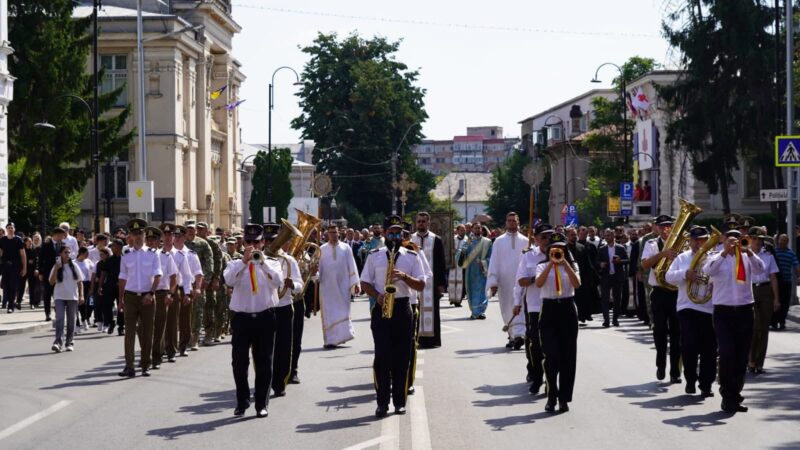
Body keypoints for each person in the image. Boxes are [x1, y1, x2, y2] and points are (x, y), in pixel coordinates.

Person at [360, 215, 426, 418]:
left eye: (398, 233)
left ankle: (399, 401)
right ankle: (381, 403)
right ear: (385, 233)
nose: (395, 236)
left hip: (403, 307)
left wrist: (404, 277)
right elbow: (364, 283)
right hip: (382, 308)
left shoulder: (412, 256)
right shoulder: (374, 255)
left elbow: (422, 285)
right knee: (382, 357)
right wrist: (377, 296)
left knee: (402, 357)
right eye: (391, 232)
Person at [223, 224, 284, 418]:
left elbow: (278, 282)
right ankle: (242, 402)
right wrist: (243, 262)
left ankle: (261, 404)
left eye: (255, 242)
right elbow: (229, 281)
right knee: (239, 363)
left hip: (265, 317)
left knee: (264, 362)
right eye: (248, 242)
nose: (252, 245)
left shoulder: (273, 263)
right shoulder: (234, 264)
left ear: (263, 242)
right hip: (242, 318)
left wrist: (263, 263)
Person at [703, 226, 765, 413]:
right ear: (723, 239)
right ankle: (726, 394)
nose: (735, 241)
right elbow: (708, 271)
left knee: (741, 356)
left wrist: (749, 252)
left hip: (745, 311)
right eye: (730, 238)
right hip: (723, 312)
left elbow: (761, 269)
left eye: (738, 238)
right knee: (727, 352)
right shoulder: (715, 257)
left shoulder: (747, 257)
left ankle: (735, 395)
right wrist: (724, 253)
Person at [665, 226, 717, 397]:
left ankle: (706, 384)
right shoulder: (682, 257)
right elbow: (668, 276)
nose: (699, 243)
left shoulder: (713, 258)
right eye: (696, 240)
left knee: (709, 348)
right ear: (690, 241)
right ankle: (690, 380)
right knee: (689, 346)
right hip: (687, 306)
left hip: (708, 308)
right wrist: (684, 274)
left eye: (703, 240)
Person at [534, 232, 581, 413]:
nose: (558, 250)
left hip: (567, 309)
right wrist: (551, 265)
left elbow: (577, 284)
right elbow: (538, 283)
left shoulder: (572, 264)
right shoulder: (542, 265)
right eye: (555, 248)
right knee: (551, 355)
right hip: (549, 309)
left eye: (561, 247)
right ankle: (552, 394)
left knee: (568, 357)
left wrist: (565, 264)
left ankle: (564, 398)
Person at [117, 219, 163, 378]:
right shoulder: (126, 254)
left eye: (140, 233)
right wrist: (120, 299)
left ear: (144, 234)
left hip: (147, 297)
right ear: (130, 235)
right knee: (129, 333)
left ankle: (145, 365)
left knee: (147, 332)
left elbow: (158, 276)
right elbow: (122, 277)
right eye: (134, 233)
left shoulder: (153, 253)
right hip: (130, 296)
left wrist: (151, 293)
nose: (137, 236)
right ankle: (129, 366)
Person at [640, 215, 681, 383]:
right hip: (659, 292)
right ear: (656, 228)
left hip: (676, 292)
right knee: (660, 332)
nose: (666, 229)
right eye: (662, 226)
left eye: (669, 226)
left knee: (677, 333)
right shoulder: (651, 244)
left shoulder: (680, 244)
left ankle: (675, 371)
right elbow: (644, 264)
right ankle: (661, 365)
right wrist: (662, 254)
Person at [264, 222, 302, 398]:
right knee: (264, 349)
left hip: (284, 307)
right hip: (265, 308)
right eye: (269, 240)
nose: (272, 244)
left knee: (284, 347)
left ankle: (280, 383)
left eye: (275, 239)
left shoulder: (289, 260)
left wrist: (292, 284)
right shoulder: (259, 259)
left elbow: (300, 286)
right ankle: (265, 381)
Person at [515, 223, 552, 394]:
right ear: (536, 239)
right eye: (543, 236)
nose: (547, 240)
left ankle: (551, 380)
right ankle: (537, 377)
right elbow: (520, 281)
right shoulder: (528, 257)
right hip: (535, 306)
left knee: (552, 347)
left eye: (550, 236)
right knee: (535, 345)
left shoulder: (560, 254)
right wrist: (535, 280)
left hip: (554, 305)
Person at [487, 212, 529, 349]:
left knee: (521, 306)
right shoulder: (498, 241)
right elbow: (494, 262)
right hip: (504, 281)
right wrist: (493, 282)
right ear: (506, 223)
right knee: (506, 308)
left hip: (521, 281)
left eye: (514, 220)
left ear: (518, 222)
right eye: (509, 220)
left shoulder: (526, 241)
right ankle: (512, 336)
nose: (511, 223)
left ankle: (519, 335)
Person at [317, 224, 361, 348]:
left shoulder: (346, 248)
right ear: (327, 234)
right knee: (329, 313)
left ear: (339, 233)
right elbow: (318, 270)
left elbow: (352, 266)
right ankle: (330, 340)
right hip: (327, 286)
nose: (333, 235)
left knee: (342, 311)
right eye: (331, 232)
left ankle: (342, 337)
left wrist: (355, 283)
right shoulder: (321, 249)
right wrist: (314, 272)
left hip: (343, 285)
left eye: (335, 232)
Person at [410, 211, 448, 349]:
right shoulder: (410, 239)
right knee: (414, 309)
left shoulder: (436, 239)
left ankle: (432, 340)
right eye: (419, 221)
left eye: (423, 221)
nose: (421, 223)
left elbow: (441, 263)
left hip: (432, 283)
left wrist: (441, 284)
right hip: (413, 281)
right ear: (416, 223)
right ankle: (415, 338)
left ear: (428, 223)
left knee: (433, 311)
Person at [747, 228, 779, 374]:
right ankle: (751, 360)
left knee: (764, 328)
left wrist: (776, 299)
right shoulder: (743, 254)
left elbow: (773, 277)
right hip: (750, 290)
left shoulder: (768, 255)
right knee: (753, 327)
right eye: (755, 238)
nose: (758, 242)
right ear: (750, 239)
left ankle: (759, 363)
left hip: (765, 290)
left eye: (760, 239)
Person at [172, 226, 204, 358]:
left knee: (185, 319)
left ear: (185, 238)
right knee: (171, 320)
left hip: (186, 288)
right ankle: (170, 347)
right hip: (171, 289)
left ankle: (183, 346)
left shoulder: (191, 254)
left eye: (180, 236)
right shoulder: (167, 253)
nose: (178, 238)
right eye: (176, 236)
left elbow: (198, 273)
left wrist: (197, 287)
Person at [150, 225, 178, 370]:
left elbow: (174, 278)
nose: (151, 242)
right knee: (143, 327)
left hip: (161, 294)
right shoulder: (138, 255)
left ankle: (156, 357)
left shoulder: (165, 257)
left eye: (154, 239)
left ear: (158, 241)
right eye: (148, 239)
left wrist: (170, 294)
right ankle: (146, 355)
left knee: (160, 327)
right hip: (143, 295)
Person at [183, 221, 213, 350]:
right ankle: (185, 338)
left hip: (197, 282)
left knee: (198, 310)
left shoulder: (202, 243)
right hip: (183, 282)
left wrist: (206, 279)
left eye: (192, 229)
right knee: (184, 311)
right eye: (188, 229)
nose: (190, 231)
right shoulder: (180, 243)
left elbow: (209, 261)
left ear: (195, 230)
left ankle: (195, 338)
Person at [49, 246, 84, 352]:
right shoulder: (56, 265)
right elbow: (51, 282)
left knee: (71, 320)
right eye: (65, 252)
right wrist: (56, 269)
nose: (67, 254)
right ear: (61, 254)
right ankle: (58, 343)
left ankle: (69, 342)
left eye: (69, 252)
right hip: (59, 296)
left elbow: (80, 282)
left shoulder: (74, 265)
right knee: (59, 318)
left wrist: (81, 295)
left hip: (72, 296)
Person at [455, 222, 492, 319]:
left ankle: (481, 311)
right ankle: (474, 311)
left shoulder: (487, 242)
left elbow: (491, 257)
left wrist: (484, 262)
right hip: (470, 270)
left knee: (482, 290)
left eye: (479, 228)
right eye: (475, 228)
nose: (477, 230)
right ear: (472, 229)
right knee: (471, 290)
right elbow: (460, 254)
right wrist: (462, 253)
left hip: (482, 270)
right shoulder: (468, 241)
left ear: (481, 229)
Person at [197, 222, 223, 346]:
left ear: (207, 231)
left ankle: (209, 333)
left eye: (202, 230)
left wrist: (216, 279)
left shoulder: (212, 245)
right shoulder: (193, 244)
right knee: (196, 308)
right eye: (198, 229)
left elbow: (218, 262)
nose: (199, 231)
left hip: (210, 281)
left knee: (209, 307)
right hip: (197, 281)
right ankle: (195, 334)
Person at [598, 229, 628, 328]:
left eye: (608, 236)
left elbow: (627, 260)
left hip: (617, 276)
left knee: (617, 299)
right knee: (605, 299)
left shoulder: (621, 248)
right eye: (605, 236)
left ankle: (615, 319)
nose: (606, 238)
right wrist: (600, 264)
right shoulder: (602, 249)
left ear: (613, 236)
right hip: (606, 277)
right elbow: (596, 262)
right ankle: (606, 320)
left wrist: (620, 261)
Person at [38, 227, 68, 321]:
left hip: (59, 272)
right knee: (47, 293)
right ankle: (47, 313)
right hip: (48, 272)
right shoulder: (46, 244)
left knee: (58, 293)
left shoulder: (63, 244)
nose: (63, 238)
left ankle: (57, 312)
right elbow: (41, 258)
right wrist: (40, 272)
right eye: (61, 236)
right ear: (56, 235)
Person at [772, 233, 799, 330]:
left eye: (785, 240)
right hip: (775, 282)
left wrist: (798, 275)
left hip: (786, 282)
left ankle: (782, 321)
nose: (782, 242)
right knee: (775, 302)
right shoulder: (774, 252)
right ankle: (774, 322)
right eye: (781, 240)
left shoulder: (791, 253)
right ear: (778, 241)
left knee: (785, 303)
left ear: (787, 242)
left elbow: (796, 265)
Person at [567, 227, 594, 324]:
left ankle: (581, 316)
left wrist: (590, 278)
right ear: (567, 236)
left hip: (581, 278)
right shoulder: (564, 248)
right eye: (572, 235)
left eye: (575, 235)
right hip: (567, 279)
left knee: (582, 299)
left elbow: (587, 264)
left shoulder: (581, 247)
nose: (574, 237)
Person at [1, 222, 26, 313]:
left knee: (13, 286)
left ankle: (10, 306)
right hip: (5, 266)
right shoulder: (3, 240)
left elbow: (23, 255)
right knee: (5, 286)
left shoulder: (18, 240)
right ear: (6, 229)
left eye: (12, 228)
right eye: (9, 228)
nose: (10, 229)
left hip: (15, 266)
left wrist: (24, 268)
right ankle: (10, 302)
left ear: (14, 229)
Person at [74, 247, 95, 331]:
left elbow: (94, 271)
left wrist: (92, 285)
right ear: (81, 253)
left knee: (84, 303)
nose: (88, 255)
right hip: (76, 284)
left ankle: (84, 319)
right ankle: (77, 323)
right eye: (86, 254)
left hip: (86, 284)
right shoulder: (73, 263)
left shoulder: (88, 261)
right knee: (76, 304)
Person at [450, 224, 468, 307]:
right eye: (461, 230)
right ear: (457, 231)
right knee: (452, 281)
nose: (463, 231)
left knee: (461, 282)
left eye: (464, 230)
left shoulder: (468, 240)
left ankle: (458, 300)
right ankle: (452, 298)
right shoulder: (453, 239)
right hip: (453, 262)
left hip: (462, 263)